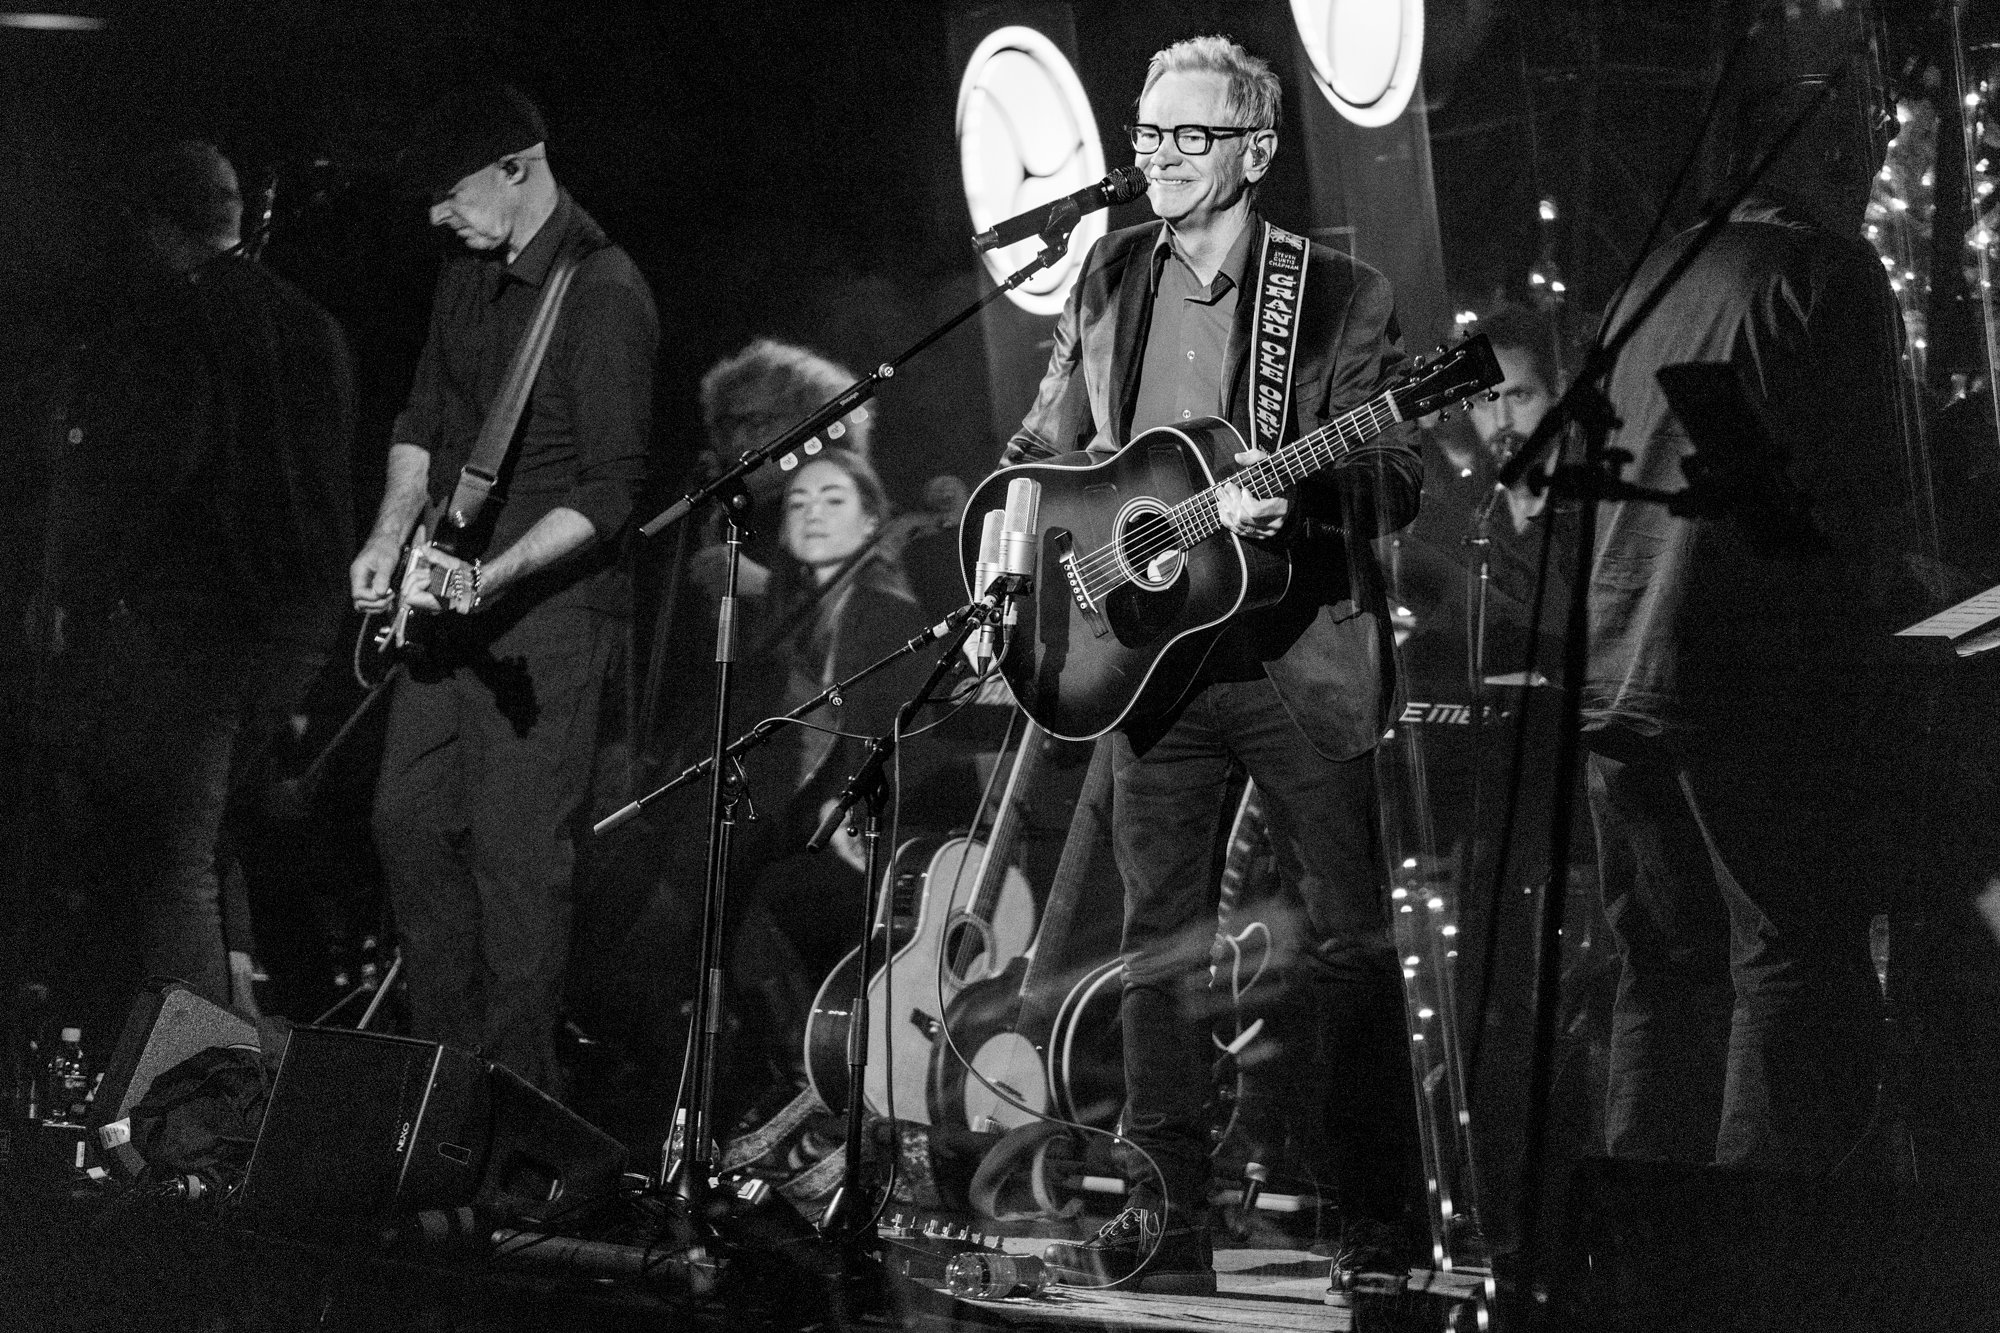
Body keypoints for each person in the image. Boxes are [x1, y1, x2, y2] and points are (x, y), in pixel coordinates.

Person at [1003, 35, 1424, 1299]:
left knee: (1345, 942)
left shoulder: (1335, 293)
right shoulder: (1105, 275)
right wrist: (1006, 570)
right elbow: (1042, 448)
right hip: (1150, 662)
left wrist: (1295, 500)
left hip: (1296, 657)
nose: (1161, 157)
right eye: (1149, 133)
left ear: (1255, 150)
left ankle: (1375, 1225)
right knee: (1155, 944)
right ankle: (1163, 1216)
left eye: (1191, 136)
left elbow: (1393, 472)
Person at [1581, 57, 1916, 1174]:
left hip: (1615, 667)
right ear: (1808, 143)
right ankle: (1752, 1252)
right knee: (1786, 953)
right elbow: (1856, 505)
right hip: (1736, 674)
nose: (1876, 159)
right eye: (1861, 137)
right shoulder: (1828, 272)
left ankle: (1635, 1248)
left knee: (1662, 971)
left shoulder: (1654, 272)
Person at [350, 84, 658, 1095]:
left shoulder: (604, 292)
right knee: (404, 818)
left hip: (550, 617)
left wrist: (495, 576)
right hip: (451, 603)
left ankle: (517, 1105)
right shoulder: (463, 276)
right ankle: (446, 1077)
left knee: (517, 864)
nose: (439, 216)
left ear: (516, 167)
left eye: (451, 193)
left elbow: (608, 495)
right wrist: (389, 537)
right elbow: (421, 419)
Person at [20, 140, 354, 1034]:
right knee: (216, 832)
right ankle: (253, 1042)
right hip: (302, 625)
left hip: (202, 619)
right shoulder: (315, 324)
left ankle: (205, 1086)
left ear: (156, 228)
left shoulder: (175, 317)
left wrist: (80, 591)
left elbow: (155, 470)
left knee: (169, 856)